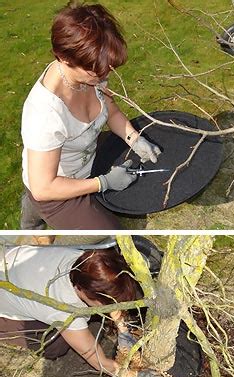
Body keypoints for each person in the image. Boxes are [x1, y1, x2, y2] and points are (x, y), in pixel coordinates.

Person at [21, 2, 160, 230]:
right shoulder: (44, 114)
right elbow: (43, 187)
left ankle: (34, 210)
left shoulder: (92, 72)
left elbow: (111, 111)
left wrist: (134, 138)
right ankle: (35, 212)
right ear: (65, 59)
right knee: (113, 237)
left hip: (88, 161)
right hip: (55, 190)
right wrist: (103, 183)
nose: (104, 75)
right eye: (97, 71)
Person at [0, 243, 170, 377]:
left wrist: (123, 331)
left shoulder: (87, 261)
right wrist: (132, 376)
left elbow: (110, 294)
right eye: (107, 303)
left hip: (11, 260)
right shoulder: (62, 309)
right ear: (82, 290)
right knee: (56, 345)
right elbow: (99, 361)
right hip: (5, 303)